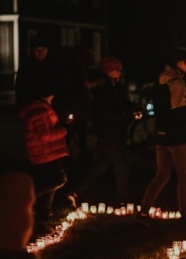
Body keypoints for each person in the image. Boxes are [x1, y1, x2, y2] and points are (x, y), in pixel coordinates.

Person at [68, 55, 141, 208]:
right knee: (121, 164)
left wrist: (133, 109)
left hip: (110, 132)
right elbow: (106, 114)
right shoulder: (103, 90)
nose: (120, 72)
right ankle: (123, 199)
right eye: (117, 70)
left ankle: (74, 193)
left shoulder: (114, 86)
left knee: (103, 164)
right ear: (109, 71)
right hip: (108, 133)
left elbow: (122, 104)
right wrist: (127, 115)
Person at [137, 47, 186, 222]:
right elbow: (178, 109)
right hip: (177, 135)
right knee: (184, 175)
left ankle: (143, 212)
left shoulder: (160, 80)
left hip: (161, 133)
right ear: (180, 63)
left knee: (162, 174)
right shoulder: (177, 82)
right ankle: (185, 215)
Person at [17, 78, 72, 223]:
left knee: (50, 182)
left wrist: (63, 124)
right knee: (59, 179)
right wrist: (64, 129)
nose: (53, 96)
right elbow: (44, 135)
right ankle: (27, 198)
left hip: (48, 152)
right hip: (44, 154)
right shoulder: (39, 111)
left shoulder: (42, 108)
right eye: (52, 93)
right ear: (47, 94)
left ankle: (45, 211)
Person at [59, 44, 97, 165]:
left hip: (73, 105)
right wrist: (90, 95)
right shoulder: (80, 69)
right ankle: (80, 156)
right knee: (79, 132)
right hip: (79, 106)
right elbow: (84, 86)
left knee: (72, 132)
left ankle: (68, 155)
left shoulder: (71, 68)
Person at [14, 33, 64, 113]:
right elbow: (20, 88)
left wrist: (53, 97)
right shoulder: (26, 67)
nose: (40, 52)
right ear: (33, 51)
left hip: (53, 107)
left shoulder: (55, 66)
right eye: (37, 50)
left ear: (47, 50)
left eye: (43, 49)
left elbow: (61, 84)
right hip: (33, 108)